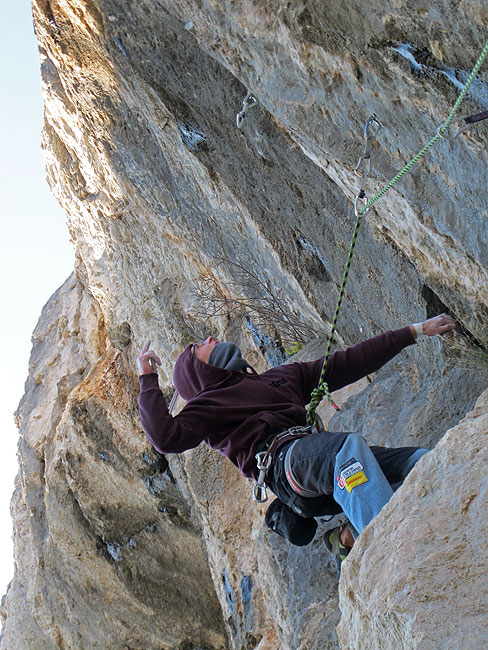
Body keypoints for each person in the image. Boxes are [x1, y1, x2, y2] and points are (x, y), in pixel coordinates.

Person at [137, 313, 455, 565]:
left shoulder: (280, 378)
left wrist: (413, 331)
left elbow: (349, 362)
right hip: (287, 466)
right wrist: (148, 378)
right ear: (196, 369)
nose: (209, 338)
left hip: (315, 464)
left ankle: (348, 538)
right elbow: (165, 438)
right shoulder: (207, 407)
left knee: (420, 462)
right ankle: (393, 555)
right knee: (347, 450)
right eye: (198, 346)